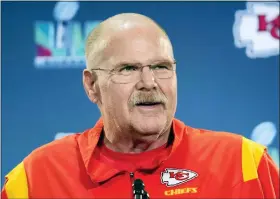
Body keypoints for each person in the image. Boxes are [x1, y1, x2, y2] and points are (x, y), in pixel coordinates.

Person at [2, 13, 279, 199]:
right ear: (91, 85)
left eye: (161, 66)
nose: (149, 82)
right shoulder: (34, 179)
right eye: (128, 69)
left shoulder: (244, 164)